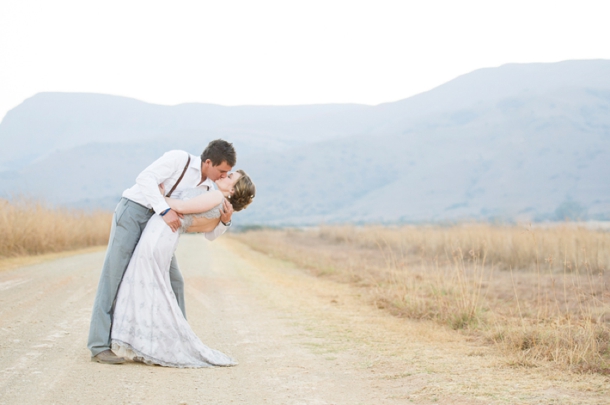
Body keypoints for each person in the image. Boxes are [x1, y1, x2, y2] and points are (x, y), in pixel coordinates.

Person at [89, 139, 236, 364]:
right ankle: (99, 345)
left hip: (157, 229)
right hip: (134, 212)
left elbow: (207, 231)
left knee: (175, 281)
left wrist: (224, 222)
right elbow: (145, 178)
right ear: (208, 162)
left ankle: (178, 340)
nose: (224, 176)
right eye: (222, 170)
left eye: (228, 173)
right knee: (114, 275)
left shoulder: (207, 188)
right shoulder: (179, 159)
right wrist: (165, 208)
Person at [110, 170, 255, 367]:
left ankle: (148, 340)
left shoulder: (216, 196)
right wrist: (224, 221)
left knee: (146, 285)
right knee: (153, 287)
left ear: (233, 189)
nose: (225, 175)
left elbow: (181, 207)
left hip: (160, 233)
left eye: (230, 177)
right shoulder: (217, 203)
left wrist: (159, 197)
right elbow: (202, 228)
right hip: (165, 234)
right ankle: (149, 339)